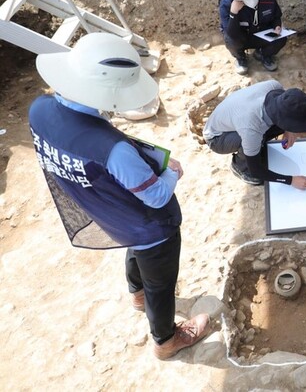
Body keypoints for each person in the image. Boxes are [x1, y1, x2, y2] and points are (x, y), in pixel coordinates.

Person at [28, 32, 210, 360]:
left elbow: (78, 144)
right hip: (149, 226)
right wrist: (171, 172)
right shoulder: (115, 152)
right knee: (161, 282)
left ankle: (137, 295)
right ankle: (165, 339)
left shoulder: (39, 109)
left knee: (134, 249)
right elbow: (155, 197)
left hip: (105, 211)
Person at [203, 80, 306, 187]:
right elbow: (256, 171)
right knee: (252, 142)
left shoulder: (274, 87)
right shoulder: (251, 128)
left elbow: (284, 112)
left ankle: (254, 148)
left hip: (236, 118)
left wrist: (289, 130)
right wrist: (291, 180)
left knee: (262, 135)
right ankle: (239, 167)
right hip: (217, 138)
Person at [219, 0, 286, 75]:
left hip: (261, 34)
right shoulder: (227, 3)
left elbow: (276, 17)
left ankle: (263, 54)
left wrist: (277, 26)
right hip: (240, 37)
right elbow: (231, 33)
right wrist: (234, 12)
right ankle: (241, 58)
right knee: (231, 40)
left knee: (281, 38)